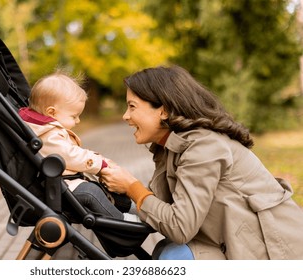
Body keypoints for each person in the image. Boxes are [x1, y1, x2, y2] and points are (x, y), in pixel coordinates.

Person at [100, 65, 303, 260]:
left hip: (268, 253)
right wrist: (116, 191)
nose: (125, 116)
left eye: (132, 106)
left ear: (163, 110)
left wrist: (131, 186)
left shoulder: (204, 147)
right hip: (227, 241)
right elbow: (159, 205)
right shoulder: (170, 146)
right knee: (166, 251)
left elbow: (179, 227)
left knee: (175, 257)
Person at [18, 70, 138, 222]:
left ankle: (127, 207)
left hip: (66, 183)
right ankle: (123, 221)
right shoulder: (47, 135)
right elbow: (70, 155)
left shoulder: (44, 130)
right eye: (74, 116)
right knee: (91, 193)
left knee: (103, 189)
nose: (78, 121)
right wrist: (98, 163)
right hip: (56, 189)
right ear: (51, 113)